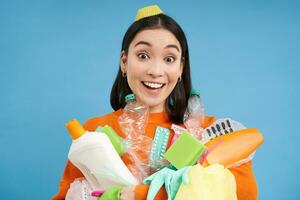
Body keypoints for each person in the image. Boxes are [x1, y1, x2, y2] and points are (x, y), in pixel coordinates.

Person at [52, 5, 258, 200]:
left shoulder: (211, 133)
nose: (156, 70)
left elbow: (240, 194)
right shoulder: (94, 134)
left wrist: (142, 194)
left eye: (169, 59)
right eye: (143, 55)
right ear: (124, 62)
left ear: (180, 68)